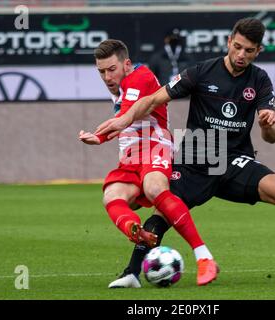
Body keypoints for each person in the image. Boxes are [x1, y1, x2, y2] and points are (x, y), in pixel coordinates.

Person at [94, 18, 275, 288]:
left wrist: (267, 125)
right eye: (237, 47)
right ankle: (132, 273)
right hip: (196, 154)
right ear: (229, 42)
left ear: (258, 51)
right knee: (163, 210)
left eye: (248, 50)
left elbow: (272, 138)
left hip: (234, 159)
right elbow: (154, 99)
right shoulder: (201, 72)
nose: (241, 55)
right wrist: (124, 120)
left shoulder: (260, 80)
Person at [78, 39, 218, 288]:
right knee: (112, 196)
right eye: (101, 71)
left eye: (111, 69)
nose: (106, 76)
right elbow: (124, 119)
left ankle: (203, 256)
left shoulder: (140, 77)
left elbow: (127, 114)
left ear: (127, 64)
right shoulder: (119, 84)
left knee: (155, 188)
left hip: (155, 145)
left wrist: (99, 136)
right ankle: (137, 234)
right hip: (130, 155)